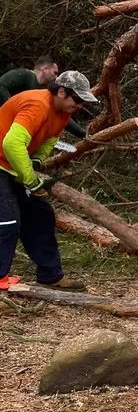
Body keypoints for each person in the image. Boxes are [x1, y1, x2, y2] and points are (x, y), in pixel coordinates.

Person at [0, 71, 98, 292]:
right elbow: (12, 144)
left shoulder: (62, 112)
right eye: (78, 99)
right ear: (61, 91)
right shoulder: (37, 104)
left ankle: (50, 275)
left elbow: (49, 140)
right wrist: (32, 181)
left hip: (13, 165)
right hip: (3, 163)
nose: (80, 105)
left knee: (41, 214)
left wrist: (36, 160)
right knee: (7, 221)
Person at [0, 56, 87, 138]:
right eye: (55, 73)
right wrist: (12, 110)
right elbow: (1, 86)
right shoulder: (25, 75)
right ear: (45, 69)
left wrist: (81, 133)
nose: (56, 77)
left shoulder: (41, 92)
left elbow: (58, 112)